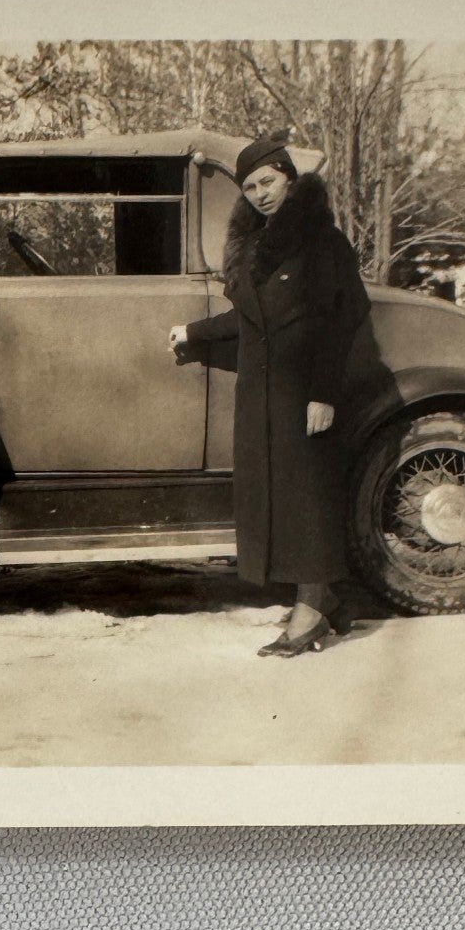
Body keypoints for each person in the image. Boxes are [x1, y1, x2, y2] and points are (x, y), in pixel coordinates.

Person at [169, 132, 372, 657]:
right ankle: (321, 595)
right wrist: (195, 331)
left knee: (306, 498)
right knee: (279, 497)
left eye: (268, 181)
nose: (260, 193)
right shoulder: (257, 244)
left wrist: (324, 393)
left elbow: (342, 318)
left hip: (306, 390)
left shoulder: (321, 241)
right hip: (263, 392)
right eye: (251, 186)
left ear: (289, 177)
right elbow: (252, 316)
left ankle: (312, 609)